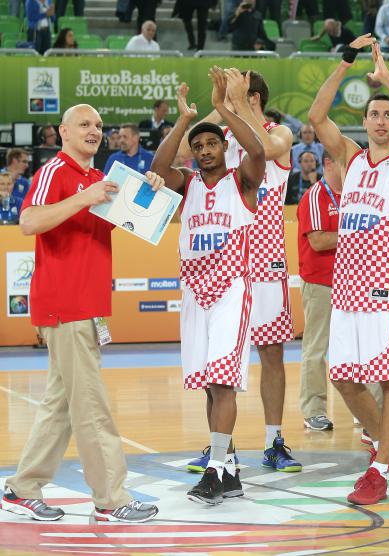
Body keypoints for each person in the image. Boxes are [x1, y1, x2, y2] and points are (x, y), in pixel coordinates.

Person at [0, 103, 160, 523]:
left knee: (61, 405)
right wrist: (82, 198)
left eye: (99, 126)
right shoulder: (57, 172)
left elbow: (139, 222)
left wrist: (152, 188)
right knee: (91, 407)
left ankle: (22, 487)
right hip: (65, 305)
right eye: (85, 124)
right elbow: (29, 222)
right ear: (64, 131)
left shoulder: (98, 180)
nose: (95, 130)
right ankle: (110, 499)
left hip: (86, 308)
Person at [308, 36, 389, 505]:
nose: (381, 121)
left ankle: (378, 469)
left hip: (388, 287)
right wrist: (346, 62)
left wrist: (386, 76)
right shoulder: (350, 160)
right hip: (347, 288)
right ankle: (388, 445)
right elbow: (317, 117)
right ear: (363, 122)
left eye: (387, 116)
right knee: (342, 375)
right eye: (374, 115)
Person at [151, 68, 266, 504]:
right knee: (207, 383)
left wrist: (223, 110)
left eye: (210, 143)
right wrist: (183, 120)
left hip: (231, 290)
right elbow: (159, 168)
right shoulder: (188, 185)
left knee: (222, 381)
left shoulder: (242, 180)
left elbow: (257, 148)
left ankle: (216, 470)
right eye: (197, 146)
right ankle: (228, 467)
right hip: (195, 294)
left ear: (224, 146)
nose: (203, 151)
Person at [178, 69, 301, 476]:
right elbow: (182, 155)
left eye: (237, 93)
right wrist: (215, 109)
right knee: (215, 359)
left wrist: (239, 108)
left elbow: (264, 150)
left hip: (265, 260)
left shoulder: (276, 132)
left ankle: (273, 441)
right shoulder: (220, 139)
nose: (228, 99)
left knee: (271, 353)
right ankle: (221, 447)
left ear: (254, 97)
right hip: (223, 265)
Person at [297, 151, 341, 431]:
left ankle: (363, 410)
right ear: (328, 163)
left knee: (354, 349)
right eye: (344, 162)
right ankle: (313, 409)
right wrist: (359, 233)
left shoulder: (353, 194)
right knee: (316, 349)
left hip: (349, 281)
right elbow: (319, 240)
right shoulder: (316, 195)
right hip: (320, 282)